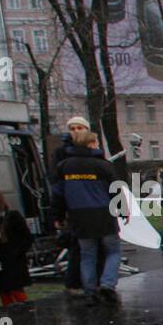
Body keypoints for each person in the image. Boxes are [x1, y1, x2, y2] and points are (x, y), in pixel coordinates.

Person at [52, 132, 122, 305]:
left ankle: (90, 291)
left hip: (79, 216)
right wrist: (122, 210)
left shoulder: (64, 167)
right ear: (91, 144)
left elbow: (58, 195)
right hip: (104, 214)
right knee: (113, 251)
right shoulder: (102, 165)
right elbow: (115, 190)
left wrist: (58, 216)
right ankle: (107, 284)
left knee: (87, 255)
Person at [53, 116, 95, 293]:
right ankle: (76, 283)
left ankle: (89, 282)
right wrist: (58, 213)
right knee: (78, 247)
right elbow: (57, 186)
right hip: (75, 208)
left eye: (80, 128)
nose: (76, 132)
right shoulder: (62, 154)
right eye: (73, 128)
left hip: (93, 205)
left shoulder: (92, 149)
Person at [0, 188, 33, 306]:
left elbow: (27, 238)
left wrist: (16, 253)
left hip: (12, 261)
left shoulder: (12, 216)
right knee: (3, 291)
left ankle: (26, 317)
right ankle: (10, 319)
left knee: (16, 290)